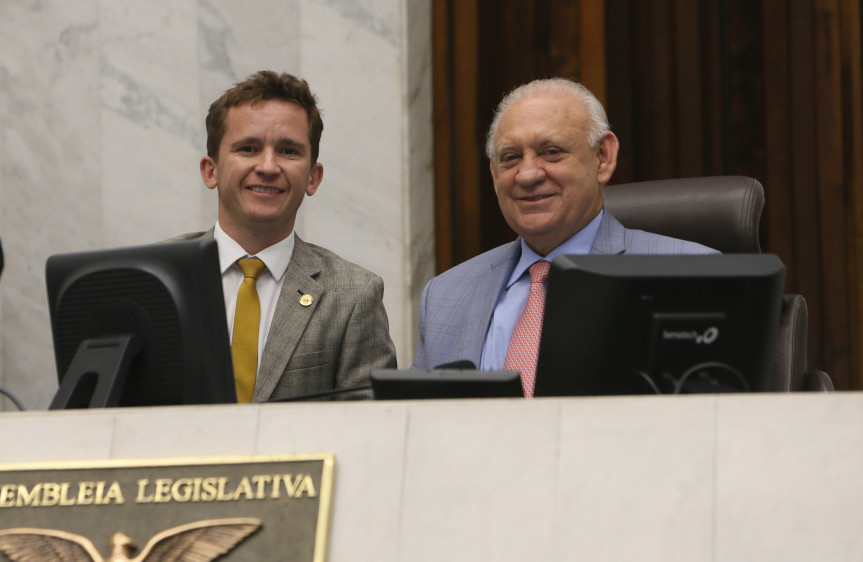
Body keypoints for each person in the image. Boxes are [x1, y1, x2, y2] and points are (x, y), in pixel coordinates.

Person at [413, 78, 717, 393]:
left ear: (603, 157)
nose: (528, 174)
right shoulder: (445, 296)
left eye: (551, 152)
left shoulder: (689, 274)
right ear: (493, 173)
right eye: (510, 157)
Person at [172, 70, 396, 402]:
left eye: (288, 151)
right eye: (248, 148)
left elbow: (368, 434)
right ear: (211, 170)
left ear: (313, 177)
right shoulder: (158, 276)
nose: (267, 166)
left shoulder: (353, 297)